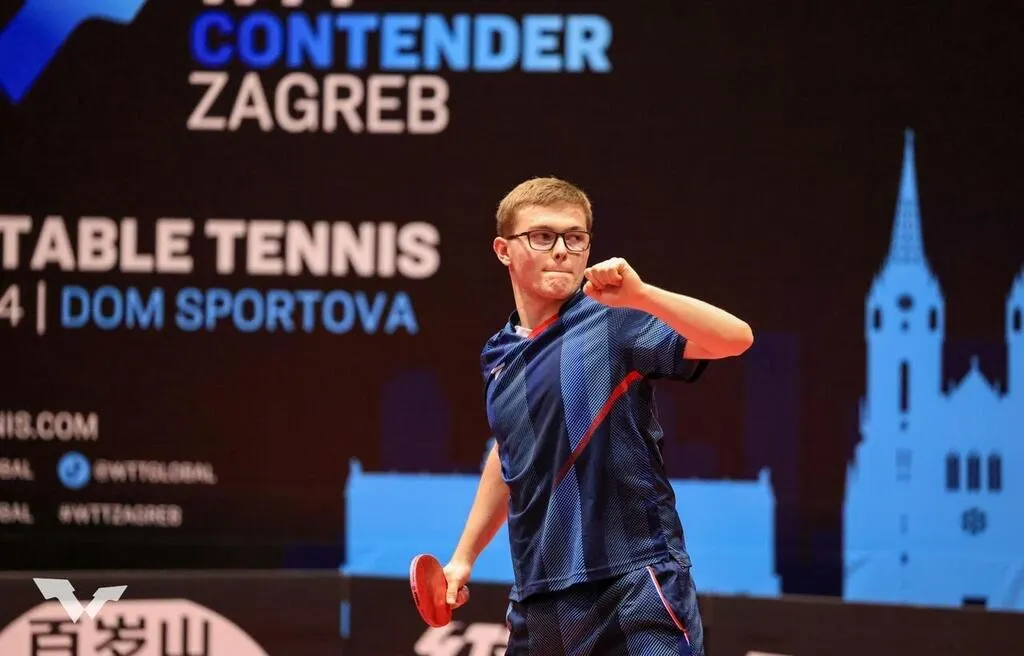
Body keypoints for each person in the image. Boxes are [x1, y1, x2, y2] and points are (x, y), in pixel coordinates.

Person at [443, 177, 753, 655]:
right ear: (504, 250)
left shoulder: (615, 317)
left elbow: (735, 339)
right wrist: (463, 558)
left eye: (575, 237)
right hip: (539, 598)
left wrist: (644, 295)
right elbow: (510, 453)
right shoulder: (498, 354)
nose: (562, 250)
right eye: (542, 237)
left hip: (634, 583)